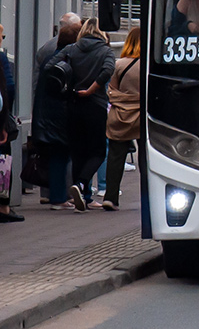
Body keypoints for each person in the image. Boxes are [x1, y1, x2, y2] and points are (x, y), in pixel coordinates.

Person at [56, 19, 115, 212]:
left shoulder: (72, 49)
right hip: (95, 106)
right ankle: (81, 185)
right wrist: (92, 89)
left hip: (73, 105)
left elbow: (52, 66)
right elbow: (108, 70)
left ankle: (80, 193)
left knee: (78, 152)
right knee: (97, 151)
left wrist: (64, 88)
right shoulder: (106, 51)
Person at [33, 21, 80, 209]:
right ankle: (59, 197)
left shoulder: (49, 60)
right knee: (62, 156)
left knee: (56, 156)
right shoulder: (64, 63)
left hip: (46, 114)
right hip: (59, 116)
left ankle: (56, 195)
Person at [102, 33, 141, 211]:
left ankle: (110, 196)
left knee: (116, 156)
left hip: (121, 116)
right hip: (142, 116)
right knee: (148, 158)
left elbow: (112, 91)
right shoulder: (148, 65)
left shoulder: (119, 64)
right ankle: (149, 196)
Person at [0, 22, 22, 222]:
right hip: (0, 121)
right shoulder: (0, 57)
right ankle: (4, 207)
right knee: (4, 162)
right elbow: (9, 87)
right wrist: (6, 120)